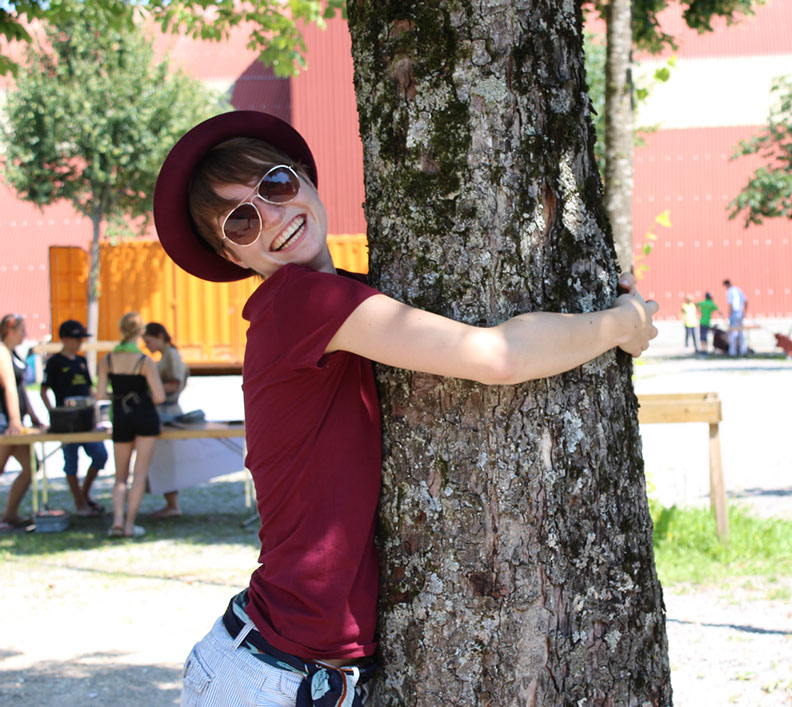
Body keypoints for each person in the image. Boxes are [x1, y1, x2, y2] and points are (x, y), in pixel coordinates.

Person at [153, 111, 658, 706]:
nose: (272, 216)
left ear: (307, 179)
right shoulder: (302, 303)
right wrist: (622, 322)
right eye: (241, 221)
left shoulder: (336, 300)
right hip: (275, 676)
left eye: (277, 185)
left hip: (281, 664)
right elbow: (499, 357)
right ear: (234, 256)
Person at [96, 312, 165, 539]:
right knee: (139, 474)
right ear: (140, 332)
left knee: (120, 477)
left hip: (121, 416)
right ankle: (129, 525)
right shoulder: (145, 361)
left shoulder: (107, 360)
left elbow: (100, 394)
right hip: (144, 415)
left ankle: (117, 521)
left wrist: (118, 395)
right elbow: (159, 397)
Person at [40, 319, 108, 516]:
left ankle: (84, 494)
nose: (80, 342)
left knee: (100, 455)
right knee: (71, 461)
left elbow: (89, 389)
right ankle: (80, 503)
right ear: (64, 339)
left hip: (86, 420)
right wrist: (53, 414)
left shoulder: (81, 361)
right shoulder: (54, 362)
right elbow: (44, 390)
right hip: (66, 422)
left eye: (81, 339)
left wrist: (100, 404)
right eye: (76, 338)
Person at [142, 321, 188, 518]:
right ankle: (170, 503)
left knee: (165, 459)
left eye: (148, 341)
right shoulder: (166, 356)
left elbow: (174, 384)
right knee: (162, 459)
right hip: (162, 411)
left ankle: (172, 504)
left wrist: (149, 391)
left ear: (160, 336)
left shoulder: (171, 355)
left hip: (168, 412)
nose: (147, 346)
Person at [0, 314, 42, 531]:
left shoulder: (13, 353)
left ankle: (10, 514)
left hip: (15, 421)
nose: (25, 335)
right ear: (10, 331)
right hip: (5, 422)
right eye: (22, 330)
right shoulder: (1, 352)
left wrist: (33, 417)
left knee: (31, 466)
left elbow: (20, 388)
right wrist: (14, 420)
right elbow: (8, 387)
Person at [723, 278, 749, 356]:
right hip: (740, 313)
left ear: (726, 285)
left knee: (733, 332)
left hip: (734, 313)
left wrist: (729, 314)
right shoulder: (738, 290)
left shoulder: (730, 291)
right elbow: (746, 301)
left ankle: (732, 351)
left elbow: (730, 304)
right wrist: (745, 312)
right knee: (741, 332)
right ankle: (743, 350)